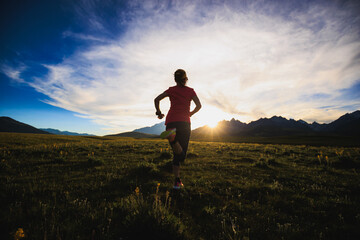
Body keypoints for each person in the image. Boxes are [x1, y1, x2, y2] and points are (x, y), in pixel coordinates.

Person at [154, 69, 202, 189]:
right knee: (182, 155)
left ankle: (177, 181)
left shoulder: (171, 90)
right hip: (184, 123)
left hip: (171, 122)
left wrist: (159, 113)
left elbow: (156, 99)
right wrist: (190, 113)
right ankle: (173, 140)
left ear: (175, 79)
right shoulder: (190, 91)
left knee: (176, 152)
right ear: (185, 79)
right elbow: (199, 106)